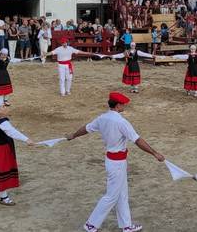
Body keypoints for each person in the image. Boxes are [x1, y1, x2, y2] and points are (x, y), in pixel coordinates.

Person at [67, 92, 165, 232]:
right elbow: (137, 140)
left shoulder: (102, 118)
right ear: (118, 105)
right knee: (112, 196)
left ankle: (126, 225)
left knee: (122, 193)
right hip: (117, 163)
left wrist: (73, 135)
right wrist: (155, 153)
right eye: (123, 104)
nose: (124, 106)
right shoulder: (121, 122)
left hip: (111, 160)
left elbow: (86, 128)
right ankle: (91, 224)